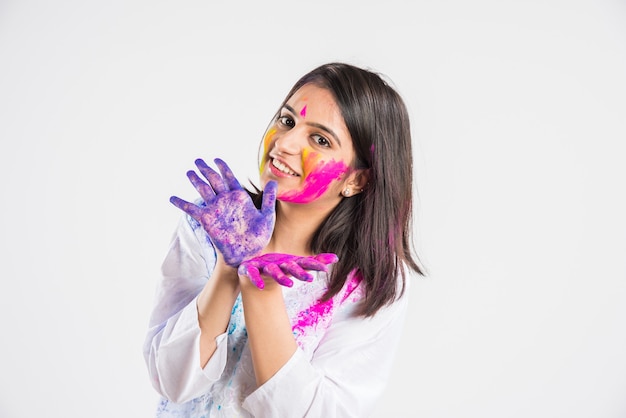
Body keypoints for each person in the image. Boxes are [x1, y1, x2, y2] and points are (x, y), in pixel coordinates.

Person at [143, 62, 424, 417]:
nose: (285, 143)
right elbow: (171, 382)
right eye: (287, 121)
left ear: (358, 180)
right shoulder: (212, 224)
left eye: (319, 139)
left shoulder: (370, 280)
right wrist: (229, 269)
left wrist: (263, 292)